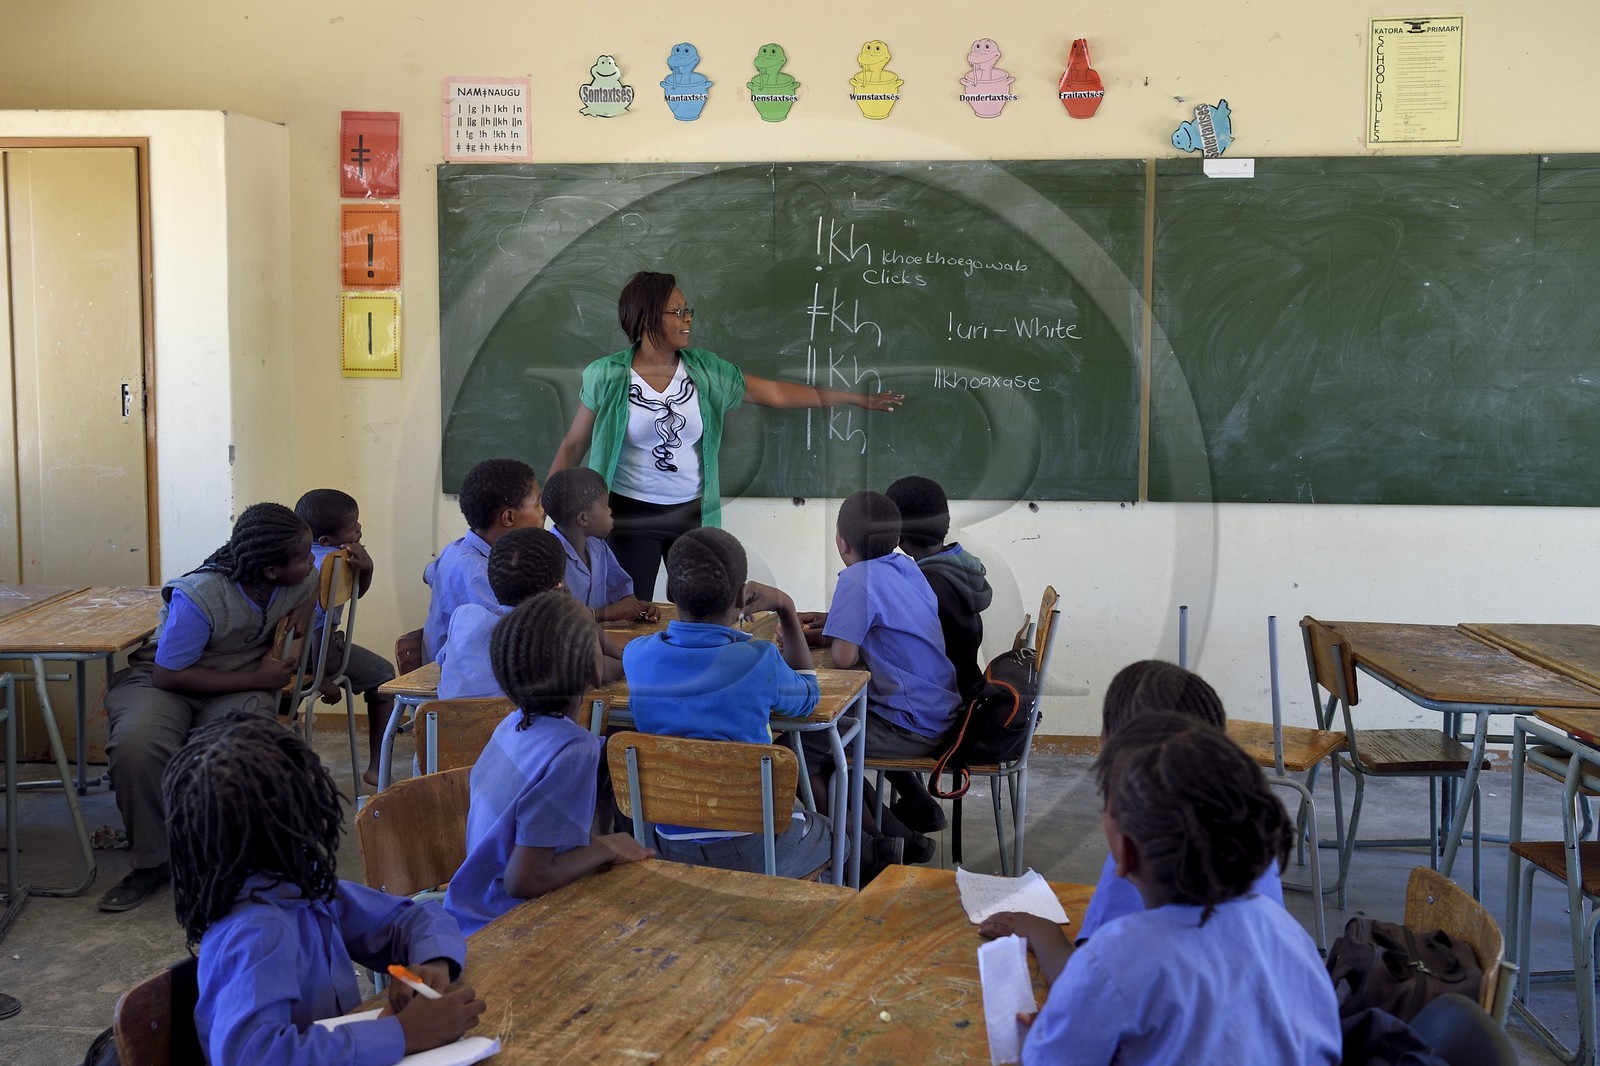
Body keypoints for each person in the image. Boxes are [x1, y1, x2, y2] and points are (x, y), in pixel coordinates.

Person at [982, 712, 1340, 1064]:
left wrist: (1033, 1041)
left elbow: (1055, 1058)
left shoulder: (1118, 954)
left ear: (1125, 852)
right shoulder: (1292, 936)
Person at [548, 270, 904, 601]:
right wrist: (547, 513)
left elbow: (776, 395)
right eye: (677, 311)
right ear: (645, 319)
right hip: (627, 514)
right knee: (628, 607)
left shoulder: (706, 371)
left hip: (691, 513)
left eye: (688, 310)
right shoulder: (607, 376)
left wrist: (856, 398)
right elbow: (575, 444)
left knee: (702, 603)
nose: (688, 318)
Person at [166, 712, 485, 1063]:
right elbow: (252, 1055)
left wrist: (432, 961)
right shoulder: (256, 931)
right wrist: (404, 1034)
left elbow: (411, 919)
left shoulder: (303, 889)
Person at [99, 502, 319, 913]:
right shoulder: (201, 595)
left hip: (231, 681)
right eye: (305, 557)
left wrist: (303, 613)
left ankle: (230, 861)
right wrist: (257, 679)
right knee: (137, 744)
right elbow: (168, 675)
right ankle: (154, 861)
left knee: (241, 746)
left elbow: (314, 583)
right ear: (271, 570)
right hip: (165, 680)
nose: (313, 562)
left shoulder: (298, 580)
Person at [622, 528, 833, 877]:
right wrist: (785, 605)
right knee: (830, 832)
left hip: (666, 845)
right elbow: (809, 696)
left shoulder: (637, 656)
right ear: (741, 597)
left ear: (670, 591)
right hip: (752, 847)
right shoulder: (759, 659)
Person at [444, 591, 652, 937]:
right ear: (593, 668)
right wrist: (606, 846)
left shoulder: (512, 725)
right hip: (504, 928)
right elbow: (525, 879)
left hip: (468, 911)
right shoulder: (572, 751)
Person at [801, 491, 961, 863]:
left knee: (803, 747)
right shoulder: (908, 567)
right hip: (939, 710)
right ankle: (901, 839)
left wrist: (822, 633)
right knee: (834, 746)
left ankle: (867, 851)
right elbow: (883, 625)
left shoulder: (857, 578)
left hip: (909, 724)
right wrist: (834, 624)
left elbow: (843, 658)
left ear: (841, 541)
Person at [293, 488, 397, 787]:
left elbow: (353, 594)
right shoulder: (332, 564)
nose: (360, 530)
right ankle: (378, 766)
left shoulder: (298, 555)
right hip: (314, 653)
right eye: (353, 527)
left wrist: (367, 567)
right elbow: (318, 628)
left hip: (277, 653)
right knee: (385, 676)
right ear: (327, 541)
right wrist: (320, 678)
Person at [422, 458, 544, 663]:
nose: (543, 511)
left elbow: (428, 574)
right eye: (538, 504)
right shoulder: (479, 572)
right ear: (509, 518)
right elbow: (510, 638)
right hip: (458, 682)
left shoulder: (459, 548)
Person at [884, 475, 993, 703]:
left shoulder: (922, 585)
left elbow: (880, 636)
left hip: (939, 706)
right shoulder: (961, 566)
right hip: (967, 690)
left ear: (897, 535)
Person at [436, 527, 566, 700]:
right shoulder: (555, 635)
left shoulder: (464, 616)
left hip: (447, 724)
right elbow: (604, 668)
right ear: (558, 588)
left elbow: (442, 663)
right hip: (520, 726)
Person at [541, 467, 658, 624]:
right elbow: (555, 619)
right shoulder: (548, 557)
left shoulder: (598, 546)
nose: (610, 511)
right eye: (605, 506)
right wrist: (607, 613)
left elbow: (621, 590)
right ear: (583, 519)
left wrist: (636, 607)